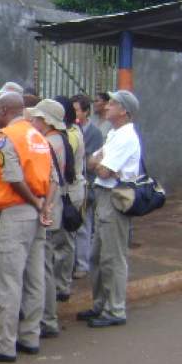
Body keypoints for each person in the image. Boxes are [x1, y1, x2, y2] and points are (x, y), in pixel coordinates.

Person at [0, 92, 52, 363]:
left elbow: (13, 177)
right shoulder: (37, 135)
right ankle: (30, 336)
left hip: (18, 210)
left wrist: (35, 203)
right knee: (34, 276)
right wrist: (44, 205)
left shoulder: (6, 136)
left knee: (9, 279)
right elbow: (52, 177)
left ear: (5, 109)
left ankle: (5, 342)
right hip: (38, 209)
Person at [77, 90, 142, 327]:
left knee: (112, 257)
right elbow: (92, 161)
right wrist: (100, 163)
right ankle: (100, 304)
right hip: (104, 194)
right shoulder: (114, 133)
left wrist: (100, 163)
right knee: (97, 256)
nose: (107, 106)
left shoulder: (126, 136)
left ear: (124, 110)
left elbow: (103, 169)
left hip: (114, 197)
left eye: (113, 103)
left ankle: (115, 309)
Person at [27, 100, 66, 338]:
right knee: (45, 264)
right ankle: (47, 317)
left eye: (37, 118)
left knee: (43, 267)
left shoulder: (47, 143)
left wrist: (45, 208)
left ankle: (48, 319)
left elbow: (49, 179)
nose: (33, 122)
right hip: (55, 206)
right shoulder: (61, 140)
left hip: (49, 207)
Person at [53, 96, 86, 302]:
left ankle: (62, 285)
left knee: (65, 240)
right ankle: (60, 283)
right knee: (62, 239)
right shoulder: (68, 133)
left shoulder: (70, 135)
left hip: (69, 191)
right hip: (68, 190)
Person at [72, 94, 104, 279]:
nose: (74, 112)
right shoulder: (73, 129)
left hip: (87, 184)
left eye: (77, 109)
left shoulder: (93, 133)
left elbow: (92, 161)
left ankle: (82, 265)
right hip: (76, 183)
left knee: (84, 226)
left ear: (86, 112)